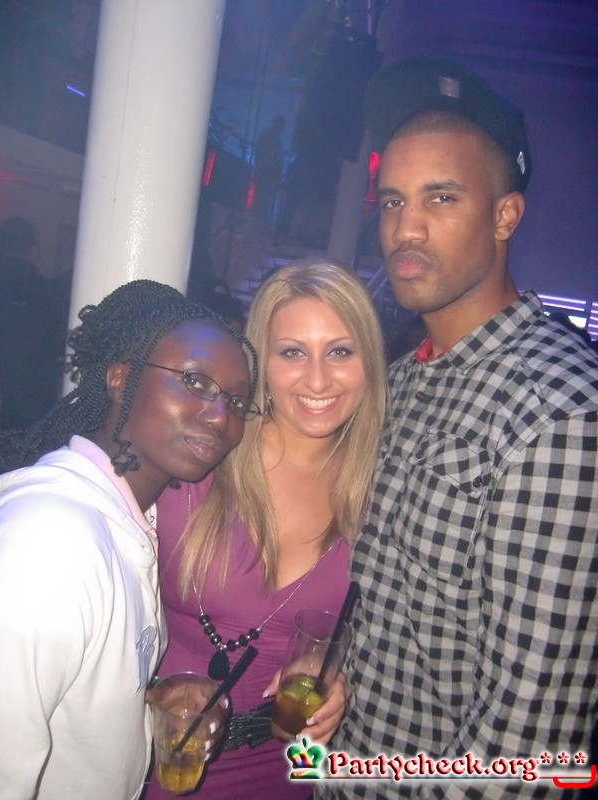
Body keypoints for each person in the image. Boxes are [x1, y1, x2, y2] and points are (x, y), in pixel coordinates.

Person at [316, 56, 598, 799]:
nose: (404, 228)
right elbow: (388, 607)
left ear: (505, 215)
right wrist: (333, 667)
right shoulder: (402, 381)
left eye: (441, 197)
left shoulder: (561, 411)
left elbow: (530, 744)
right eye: (392, 200)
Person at [0, 279, 260, 800]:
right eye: (194, 381)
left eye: (236, 400)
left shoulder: (127, 520)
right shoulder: (51, 539)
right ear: (121, 376)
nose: (221, 416)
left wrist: (150, 696)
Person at [143, 258, 388, 800]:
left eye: (340, 351)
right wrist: (150, 690)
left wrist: (335, 673)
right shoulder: (199, 461)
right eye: (293, 352)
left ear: (369, 362)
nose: (318, 379)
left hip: (286, 770)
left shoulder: (383, 492)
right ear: (262, 361)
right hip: (159, 757)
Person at [0, 216, 62, 431]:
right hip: (28, 405)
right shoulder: (44, 292)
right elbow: (55, 344)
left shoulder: (42, 290)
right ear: (34, 247)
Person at [251, 114, 286, 224]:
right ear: (276, 124)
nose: (282, 128)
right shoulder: (266, 136)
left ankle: (258, 219)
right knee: (260, 196)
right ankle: (254, 218)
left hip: (269, 176)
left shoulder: (277, 144)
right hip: (264, 173)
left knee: (265, 199)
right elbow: (260, 154)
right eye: (280, 125)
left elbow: (278, 160)